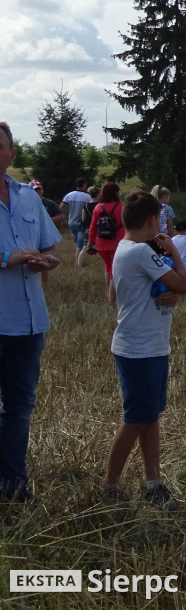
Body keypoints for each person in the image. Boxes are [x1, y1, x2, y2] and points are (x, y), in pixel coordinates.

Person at [103, 191, 186, 510]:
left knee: (149, 417)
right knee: (136, 419)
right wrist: (172, 251)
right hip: (139, 349)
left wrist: (171, 294)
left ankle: (153, 484)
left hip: (149, 346)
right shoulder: (140, 252)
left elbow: (126, 294)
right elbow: (184, 283)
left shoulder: (126, 249)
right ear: (153, 221)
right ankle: (110, 486)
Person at [0, 122, 61, 505]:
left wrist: (45, 262)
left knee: (20, 408)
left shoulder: (28, 198)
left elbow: (49, 247)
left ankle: (13, 484)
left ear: (12, 154)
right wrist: (7, 258)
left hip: (29, 322)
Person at [88, 182, 126, 302]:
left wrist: (90, 242)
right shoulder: (122, 206)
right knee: (115, 270)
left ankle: (108, 291)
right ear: (116, 192)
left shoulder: (98, 207)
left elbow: (93, 226)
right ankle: (112, 298)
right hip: (118, 241)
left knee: (108, 267)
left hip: (101, 242)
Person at [60, 178, 91, 267]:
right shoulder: (87, 197)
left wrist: (63, 219)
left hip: (71, 223)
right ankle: (77, 264)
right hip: (81, 223)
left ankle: (79, 262)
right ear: (84, 185)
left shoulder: (69, 195)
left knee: (78, 242)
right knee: (80, 245)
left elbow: (61, 207)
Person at [77, 186, 100, 268]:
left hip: (89, 229)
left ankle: (79, 265)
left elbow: (83, 218)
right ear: (98, 194)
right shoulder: (100, 205)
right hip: (100, 229)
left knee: (84, 248)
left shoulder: (86, 206)